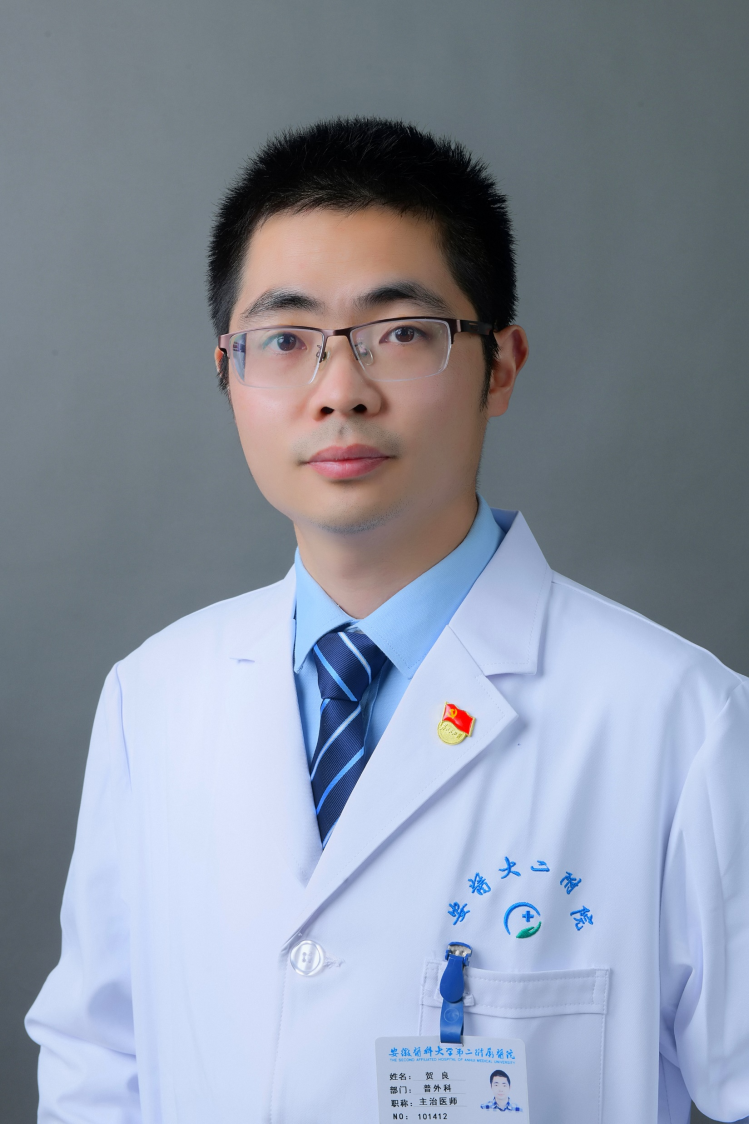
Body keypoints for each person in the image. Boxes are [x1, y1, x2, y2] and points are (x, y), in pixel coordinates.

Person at [26, 118, 749, 1124]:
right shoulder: (153, 696)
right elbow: (98, 1064)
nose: (340, 393)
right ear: (227, 370)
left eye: (401, 333)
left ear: (500, 366)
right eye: (284, 341)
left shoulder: (680, 721)